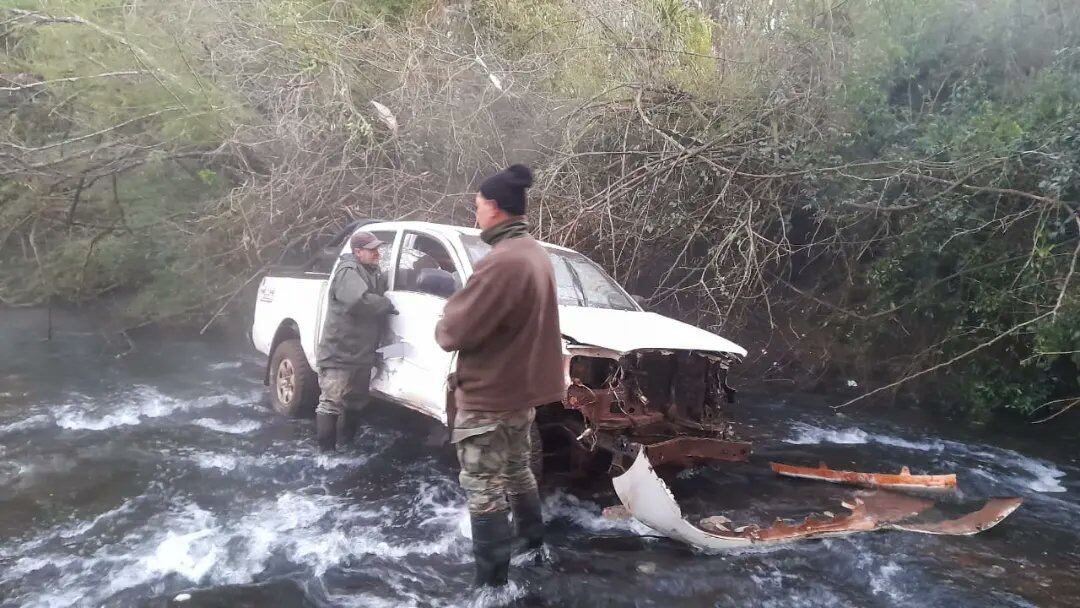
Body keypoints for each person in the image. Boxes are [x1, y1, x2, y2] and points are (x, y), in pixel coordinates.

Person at [434, 164, 566, 588]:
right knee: (517, 472)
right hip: (518, 397)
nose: (475, 215)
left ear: (493, 207)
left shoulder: (502, 261)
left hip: (489, 397)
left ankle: (491, 589)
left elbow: (452, 332)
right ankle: (533, 550)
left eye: (476, 206)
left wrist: (446, 314)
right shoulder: (534, 252)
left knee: (483, 487)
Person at [315, 230, 395, 452]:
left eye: (377, 249)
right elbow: (359, 301)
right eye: (372, 250)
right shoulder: (348, 270)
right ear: (358, 252)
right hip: (339, 353)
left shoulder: (371, 271)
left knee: (355, 403)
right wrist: (385, 304)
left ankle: (347, 447)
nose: (377, 253)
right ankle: (326, 456)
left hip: (360, 354)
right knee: (331, 403)